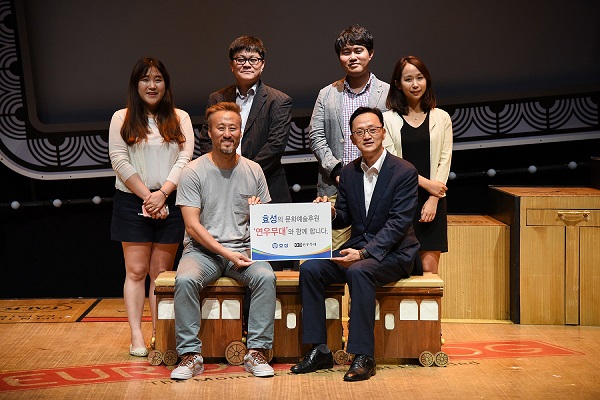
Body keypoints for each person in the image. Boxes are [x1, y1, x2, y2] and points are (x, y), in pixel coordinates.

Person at [291, 107, 420, 381]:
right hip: (358, 248)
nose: (367, 135)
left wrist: (363, 253)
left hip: (395, 253)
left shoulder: (404, 171)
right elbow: (346, 218)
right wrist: (330, 213)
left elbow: (398, 224)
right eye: (360, 132)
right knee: (311, 269)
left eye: (372, 129)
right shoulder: (348, 173)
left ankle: (364, 355)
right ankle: (320, 349)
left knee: (358, 270)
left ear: (383, 133)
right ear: (352, 139)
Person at [170, 102, 276, 380]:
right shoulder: (193, 171)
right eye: (221, 128)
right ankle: (190, 354)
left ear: (241, 132)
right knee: (184, 280)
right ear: (210, 132)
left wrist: (258, 214)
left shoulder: (254, 170)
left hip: (242, 251)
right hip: (203, 252)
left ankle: (257, 351)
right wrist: (226, 254)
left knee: (265, 277)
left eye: (233, 128)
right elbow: (192, 226)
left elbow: (267, 225)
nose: (227, 133)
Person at [109, 57, 194, 357]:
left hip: (170, 200)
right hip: (133, 200)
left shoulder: (179, 117)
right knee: (135, 271)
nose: (152, 85)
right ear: (136, 85)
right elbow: (119, 160)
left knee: (161, 274)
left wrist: (164, 193)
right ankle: (137, 336)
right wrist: (149, 196)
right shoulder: (122, 117)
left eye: (158, 79)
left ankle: (161, 333)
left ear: (166, 85)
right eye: (146, 79)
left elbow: (186, 159)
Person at [309, 24, 390, 250]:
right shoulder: (327, 94)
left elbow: (393, 137)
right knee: (334, 258)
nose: (352, 57)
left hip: (379, 185)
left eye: (358, 50)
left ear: (370, 53)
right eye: (346, 52)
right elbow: (315, 136)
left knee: (374, 254)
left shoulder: (389, 93)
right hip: (335, 188)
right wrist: (337, 172)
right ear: (339, 58)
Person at [198, 35, 293, 204]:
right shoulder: (217, 98)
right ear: (231, 65)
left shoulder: (279, 100)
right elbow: (206, 139)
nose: (247, 64)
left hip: (266, 184)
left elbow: (276, 145)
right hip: (220, 182)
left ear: (262, 64)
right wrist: (221, 170)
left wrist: (243, 174)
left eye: (254, 59)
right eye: (241, 59)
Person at [382, 56, 453, 274]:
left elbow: (444, 159)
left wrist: (433, 197)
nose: (415, 84)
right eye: (408, 79)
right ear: (397, 84)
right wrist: (426, 184)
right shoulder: (387, 119)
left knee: (430, 273)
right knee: (400, 272)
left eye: (420, 78)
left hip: (433, 201)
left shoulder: (441, 117)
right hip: (400, 200)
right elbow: (393, 162)